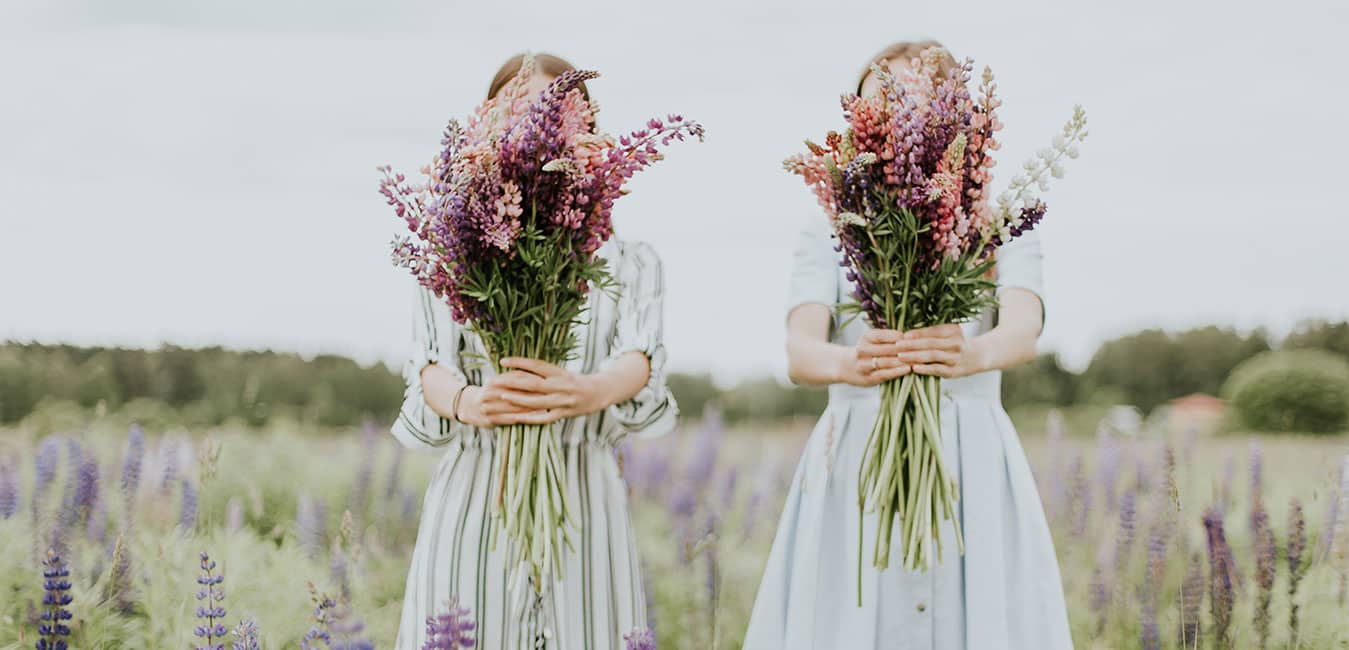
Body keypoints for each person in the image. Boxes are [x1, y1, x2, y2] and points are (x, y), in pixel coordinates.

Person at [743, 40, 1074, 650]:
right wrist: (853, 362)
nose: (892, 120)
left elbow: (1024, 328)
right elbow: (800, 351)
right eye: (879, 106)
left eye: (909, 102)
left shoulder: (1000, 218)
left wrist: (972, 354)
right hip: (856, 448)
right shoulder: (829, 225)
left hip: (970, 446)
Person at [389, 52, 677, 650]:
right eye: (520, 109)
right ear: (489, 125)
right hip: (474, 499)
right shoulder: (453, 252)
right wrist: (471, 402)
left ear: (586, 130)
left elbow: (641, 355)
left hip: (587, 502)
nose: (537, 125)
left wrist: (590, 391)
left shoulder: (631, 260)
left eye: (557, 112)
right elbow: (428, 368)